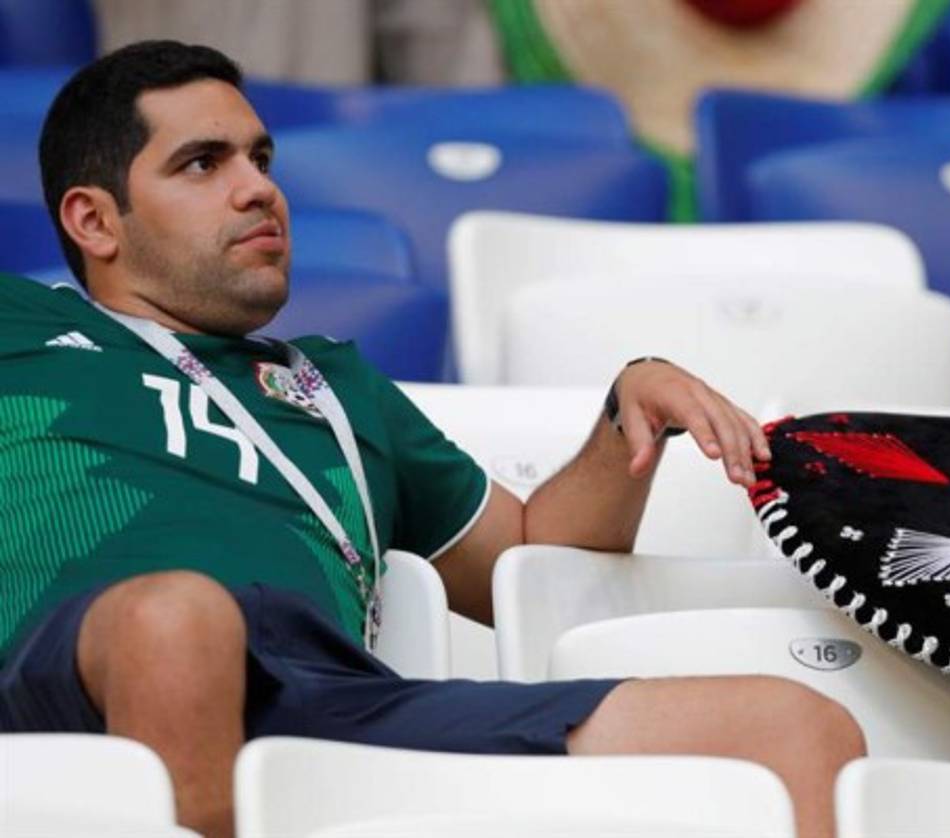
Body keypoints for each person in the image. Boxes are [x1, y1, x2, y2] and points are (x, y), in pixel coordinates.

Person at [0, 41, 864, 838]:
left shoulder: (335, 385)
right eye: (201, 164)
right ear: (94, 222)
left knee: (792, 727)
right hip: (78, 691)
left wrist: (626, 411)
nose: (257, 188)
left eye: (261, 158)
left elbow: (531, 559)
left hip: (331, 703)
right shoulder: (20, 328)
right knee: (180, 620)